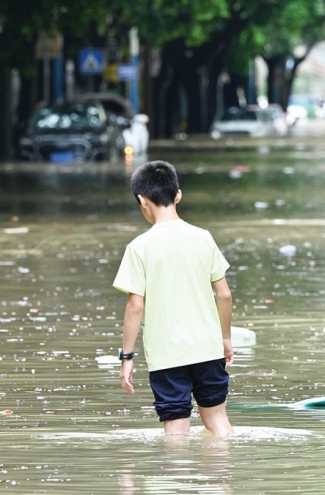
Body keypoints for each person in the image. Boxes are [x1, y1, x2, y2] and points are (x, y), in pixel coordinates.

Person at [112, 160, 235, 437]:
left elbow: (135, 306)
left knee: (176, 430)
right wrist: (225, 339)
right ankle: (225, 478)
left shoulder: (139, 247)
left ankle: (176, 478)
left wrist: (127, 357)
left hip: (167, 356)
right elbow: (224, 294)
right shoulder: (203, 238)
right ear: (178, 195)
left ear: (142, 200)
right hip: (208, 348)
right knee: (218, 423)